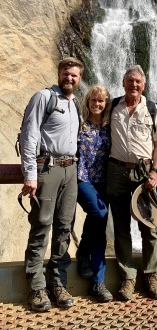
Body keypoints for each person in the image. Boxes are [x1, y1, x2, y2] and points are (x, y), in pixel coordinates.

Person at [20, 57, 84, 312]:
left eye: (74, 75)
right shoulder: (43, 97)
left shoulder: (75, 102)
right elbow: (29, 134)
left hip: (71, 170)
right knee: (41, 226)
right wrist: (30, 174)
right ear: (59, 74)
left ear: (79, 79)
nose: (70, 78)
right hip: (47, 168)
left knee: (64, 228)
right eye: (66, 73)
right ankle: (36, 286)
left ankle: (58, 283)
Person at [107, 65, 157, 301]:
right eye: (130, 81)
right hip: (116, 172)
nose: (134, 85)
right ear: (123, 83)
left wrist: (155, 172)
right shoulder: (112, 106)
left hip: (145, 174)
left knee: (150, 226)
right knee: (121, 228)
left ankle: (152, 275)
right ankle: (127, 278)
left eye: (138, 82)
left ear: (144, 85)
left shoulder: (152, 109)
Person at [76, 85, 113, 302]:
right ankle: (82, 251)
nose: (97, 104)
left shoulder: (110, 127)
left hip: (104, 181)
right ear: (87, 101)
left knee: (100, 230)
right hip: (81, 178)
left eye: (101, 101)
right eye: (93, 100)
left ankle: (98, 283)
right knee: (99, 213)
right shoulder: (79, 125)